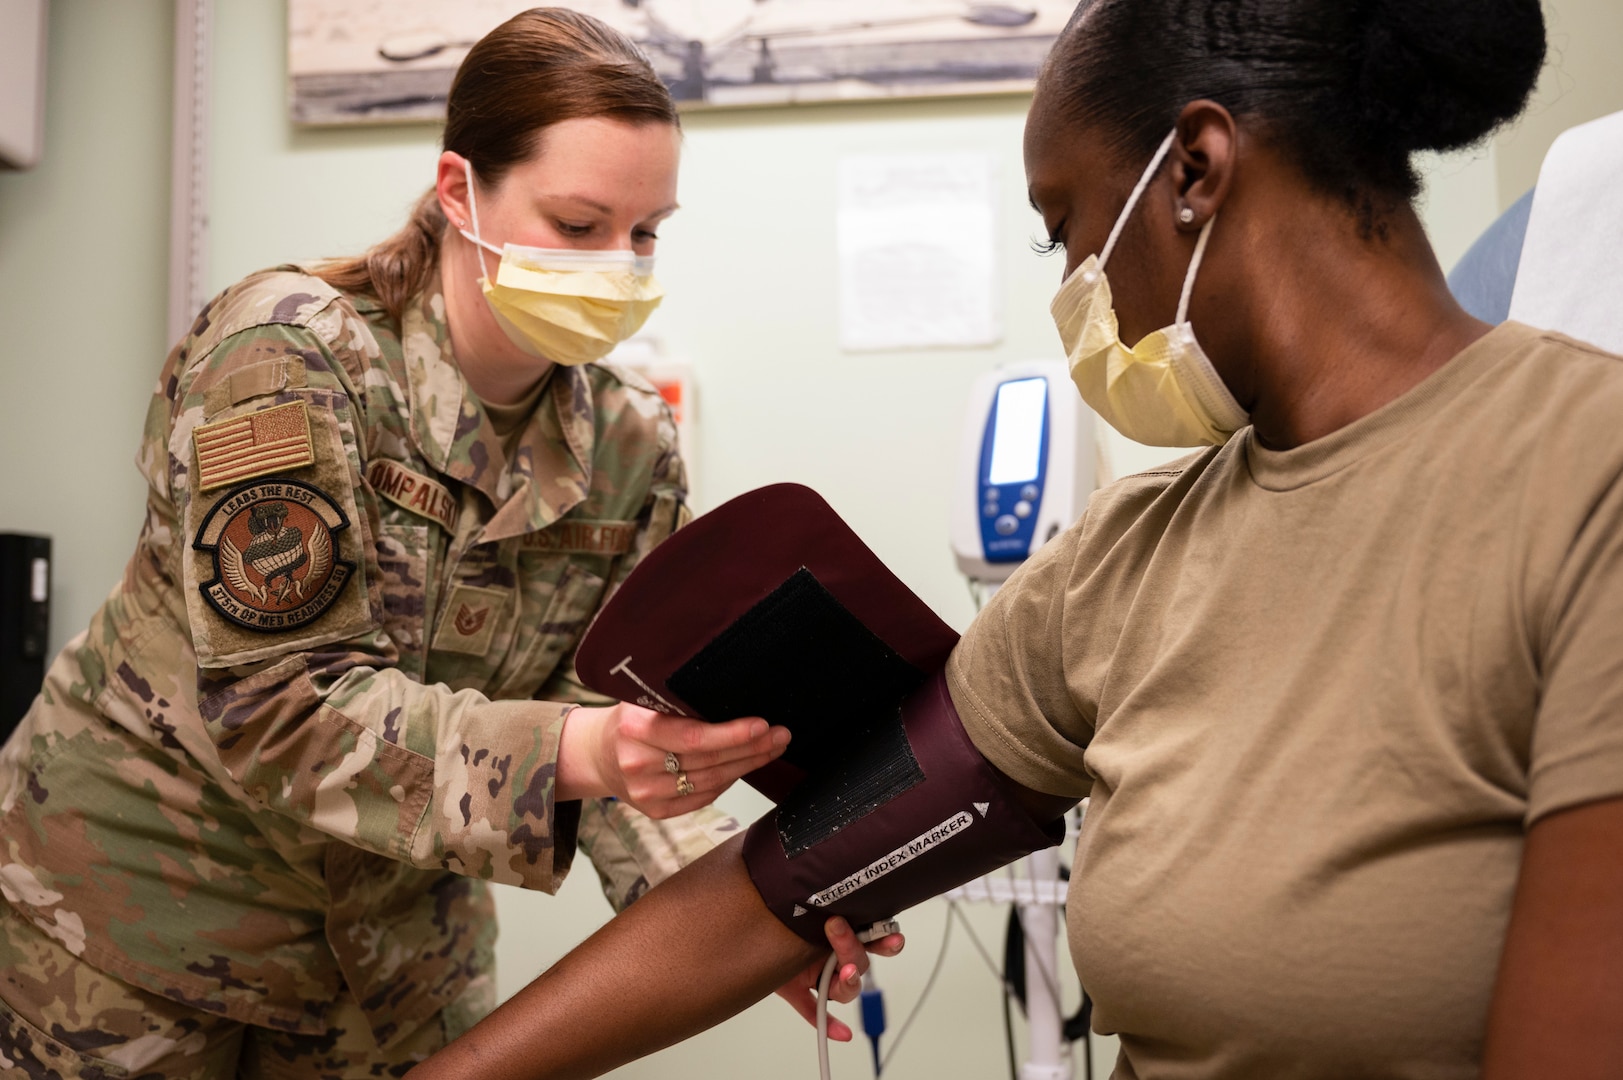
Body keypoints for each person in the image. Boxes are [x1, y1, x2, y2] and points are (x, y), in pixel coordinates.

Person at [405, 0, 1623, 1077]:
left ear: (1194, 170)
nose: (1080, 283)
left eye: (1068, 228)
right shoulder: (1130, 554)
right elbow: (775, 888)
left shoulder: (1586, 481)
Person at [0, 10, 887, 1077]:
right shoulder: (289, 356)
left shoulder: (628, 446)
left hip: (394, 972)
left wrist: (749, 914)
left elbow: (629, 728)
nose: (620, 264)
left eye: (646, 232)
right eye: (578, 224)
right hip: (136, 935)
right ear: (460, 193)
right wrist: (586, 751)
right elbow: (285, 709)